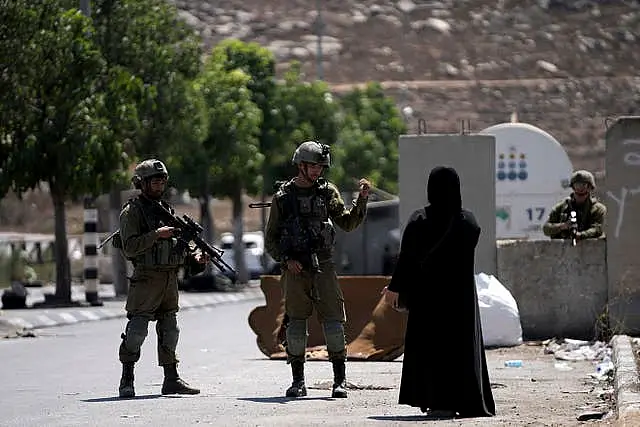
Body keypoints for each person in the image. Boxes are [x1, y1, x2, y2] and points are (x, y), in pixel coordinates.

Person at [382, 166, 496, 418]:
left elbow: (407, 259)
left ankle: (435, 399)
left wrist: (395, 288)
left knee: (430, 349)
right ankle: (464, 400)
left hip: (428, 301)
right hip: (460, 301)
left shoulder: (419, 220)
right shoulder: (469, 222)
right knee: (460, 348)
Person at [264, 140, 370, 399]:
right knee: (296, 326)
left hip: (323, 264)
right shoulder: (283, 198)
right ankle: (298, 381)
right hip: (295, 269)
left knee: (334, 323)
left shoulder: (326, 192)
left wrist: (362, 201)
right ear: (300, 165)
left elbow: (346, 223)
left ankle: (339, 381)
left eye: (321, 167)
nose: (317, 171)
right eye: (313, 166)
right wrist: (287, 260)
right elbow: (271, 240)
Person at [116, 159, 207, 398]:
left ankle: (171, 379)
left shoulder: (167, 210)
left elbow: (177, 247)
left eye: (162, 180)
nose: (159, 184)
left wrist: (195, 259)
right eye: (154, 180)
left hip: (169, 279)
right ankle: (127, 379)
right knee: (136, 332)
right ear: (141, 183)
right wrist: (156, 235)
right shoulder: (132, 212)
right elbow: (130, 247)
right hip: (146, 279)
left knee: (170, 330)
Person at [543, 170, 607, 241]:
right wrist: (563, 226)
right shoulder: (562, 207)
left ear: (589, 187)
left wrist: (580, 235)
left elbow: (597, 229)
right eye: (577, 185)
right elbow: (546, 228)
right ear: (573, 187)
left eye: (583, 185)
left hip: (590, 248)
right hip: (564, 248)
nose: (580, 189)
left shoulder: (598, 209)